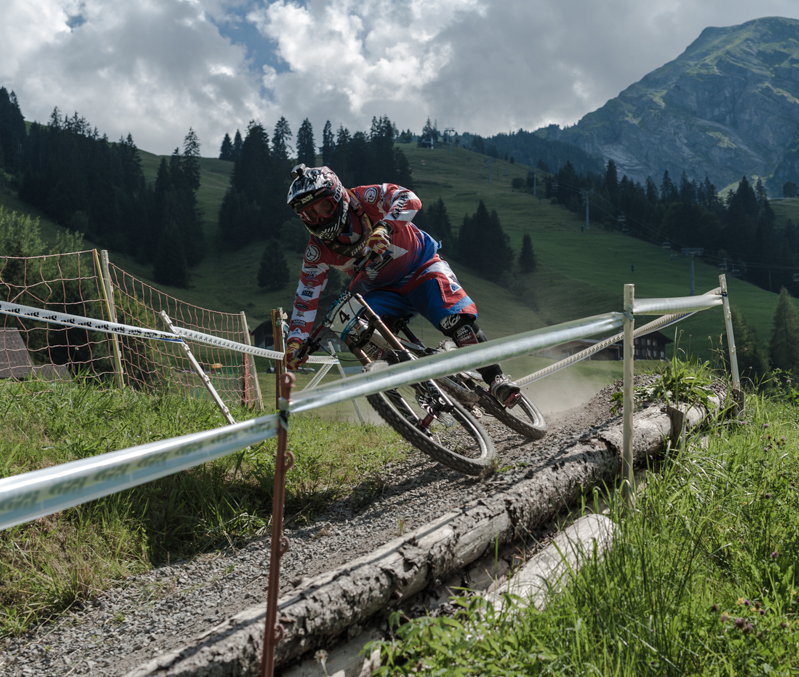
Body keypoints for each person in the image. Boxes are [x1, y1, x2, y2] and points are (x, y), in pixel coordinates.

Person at [282, 164, 521, 408]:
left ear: (338, 197)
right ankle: (421, 392)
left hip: (423, 268)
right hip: (383, 292)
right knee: (359, 331)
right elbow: (305, 299)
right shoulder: (316, 251)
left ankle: (496, 379)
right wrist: (295, 342)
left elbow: (408, 197)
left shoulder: (366, 197)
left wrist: (385, 226)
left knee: (456, 322)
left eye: (324, 207)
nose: (320, 217)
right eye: (310, 214)